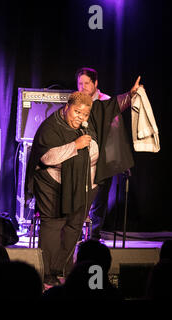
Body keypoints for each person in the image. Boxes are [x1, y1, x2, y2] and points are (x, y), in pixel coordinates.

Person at [25, 77, 142, 285]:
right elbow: (47, 158)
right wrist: (75, 146)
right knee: (53, 225)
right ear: (67, 107)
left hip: (84, 184)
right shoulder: (50, 127)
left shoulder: (91, 116)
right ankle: (48, 275)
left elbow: (111, 106)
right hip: (54, 185)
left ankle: (65, 269)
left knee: (74, 226)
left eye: (84, 114)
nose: (80, 117)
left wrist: (130, 95)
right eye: (76, 112)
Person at [76, 67, 113, 241]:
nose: (83, 87)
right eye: (80, 83)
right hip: (81, 156)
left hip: (103, 157)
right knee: (79, 196)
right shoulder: (75, 102)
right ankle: (75, 233)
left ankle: (93, 236)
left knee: (99, 199)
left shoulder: (106, 101)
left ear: (95, 83)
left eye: (87, 83)